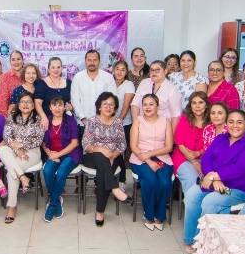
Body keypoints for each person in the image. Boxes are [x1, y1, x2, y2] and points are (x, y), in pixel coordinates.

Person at [183, 110, 245, 253]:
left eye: (239, 122)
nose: (235, 126)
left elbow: (240, 168)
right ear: (226, 124)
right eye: (231, 122)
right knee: (192, 194)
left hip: (238, 189)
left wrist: (214, 177)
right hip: (214, 183)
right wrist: (213, 178)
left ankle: (203, 243)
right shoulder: (221, 139)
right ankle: (190, 239)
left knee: (210, 201)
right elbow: (206, 158)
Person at [82, 92, 132, 227]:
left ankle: (99, 211)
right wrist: (102, 150)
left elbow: (122, 145)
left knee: (103, 173)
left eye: (111, 105)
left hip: (113, 157)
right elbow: (86, 145)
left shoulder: (118, 122)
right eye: (105, 104)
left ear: (115, 108)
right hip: (92, 156)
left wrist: (112, 155)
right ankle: (115, 189)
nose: (108, 107)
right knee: (100, 156)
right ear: (99, 107)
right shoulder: (92, 121)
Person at [0, 92, 45, 223]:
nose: (25, 104)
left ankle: (11, 207)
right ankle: (23, 177)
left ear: (33, 105)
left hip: (32, 152)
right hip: (13, 151)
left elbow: (39, 140)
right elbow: (7, 137)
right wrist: (17, 150)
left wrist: (21, 145)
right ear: (18, 104)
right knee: (1, 149)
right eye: (22, 102)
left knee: (12, 172)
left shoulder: (38, 119)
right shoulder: (12, 116)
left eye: (29, 102)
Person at [130, 94, 174, 231]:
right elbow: (134, 146)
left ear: (158, 106)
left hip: (162, 157)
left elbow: (168, 147)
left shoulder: (165, 121)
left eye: (151, 104)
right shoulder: (138, 121)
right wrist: (148, 160)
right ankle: (149, 214)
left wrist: (151, 154)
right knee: (151, 181)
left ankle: (159, 214)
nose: (147, 107)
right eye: (145, 104)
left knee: (165, 182)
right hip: (140, 158)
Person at [41, 95, 81, 222]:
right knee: (47, 171)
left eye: (60, 105)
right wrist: (50, 153)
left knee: (62, 173)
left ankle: (52, 204)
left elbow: (75, 143)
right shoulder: (47, 120)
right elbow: (43, 142)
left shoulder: (70, 120)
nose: (57, 108)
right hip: (52, 153)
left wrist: (58, 155)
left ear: (64, 107)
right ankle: (57, 199)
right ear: (50, 107)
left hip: (71, 153)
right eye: (54, 105)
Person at [71, 50, 116, 139]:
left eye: (95, 60)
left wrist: (103, 120)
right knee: (85, 152)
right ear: (85, 61)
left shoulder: (108, 77)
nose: (92, 63)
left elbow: (112, 100)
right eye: (89, 60)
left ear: (99, 61)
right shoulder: (78, 77)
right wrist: (84, 119)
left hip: (104, 123)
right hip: (83, 124)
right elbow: (75, 100)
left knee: (103, 151)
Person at [172, 91, 208, 193]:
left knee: (209, 177)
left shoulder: (211, 122)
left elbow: (211, 145)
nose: (197, 106)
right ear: (190, 105)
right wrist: (194, 162)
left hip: (204, 157)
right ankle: (191, 205)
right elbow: (179, 143)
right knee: (193, 178)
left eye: (200, 102)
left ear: (206, 105)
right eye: (194, 103)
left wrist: (198, 153)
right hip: (182, 157)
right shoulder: (184, 119)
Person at [132, 60, 183, 131]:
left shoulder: (172, 89)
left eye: (157, 70)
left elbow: (176, 115)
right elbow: (135, 104)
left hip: (162, 129)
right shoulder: (144, 83)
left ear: (165, 71)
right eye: (152, 70)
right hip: (142, 127)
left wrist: (172, 134)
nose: (154, 72)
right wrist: (136, 125)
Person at [112, 60, 136, 186]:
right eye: (117, 69)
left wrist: (118, 121)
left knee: (120, 152)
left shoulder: (129, 84)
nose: (119, 72)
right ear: (113, 70)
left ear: (126, 72)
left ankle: (122, 181)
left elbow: (126, 105)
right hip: (108, 124)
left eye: (123, 69)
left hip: (124, 123)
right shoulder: (109, 83)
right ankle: (111, 180)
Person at [34, 57, 72, 129]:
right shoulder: (41, 83)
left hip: (66, 122)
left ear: (62, 68)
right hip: (47, 122)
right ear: (48, 69)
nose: (56, 70)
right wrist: (43, 117)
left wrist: (71, 106)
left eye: (58, 67)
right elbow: (37, 103)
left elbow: (72, 101)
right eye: (53, 67)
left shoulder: (69, 83)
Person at [0, 50, 25, 116]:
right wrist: (4, 118)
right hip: (12, 115)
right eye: (13, 60)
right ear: (10, 62)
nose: (16, 62)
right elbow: (2, 100)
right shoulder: (5, 77)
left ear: (23, 61)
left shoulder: (29, 75)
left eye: (18, 59)